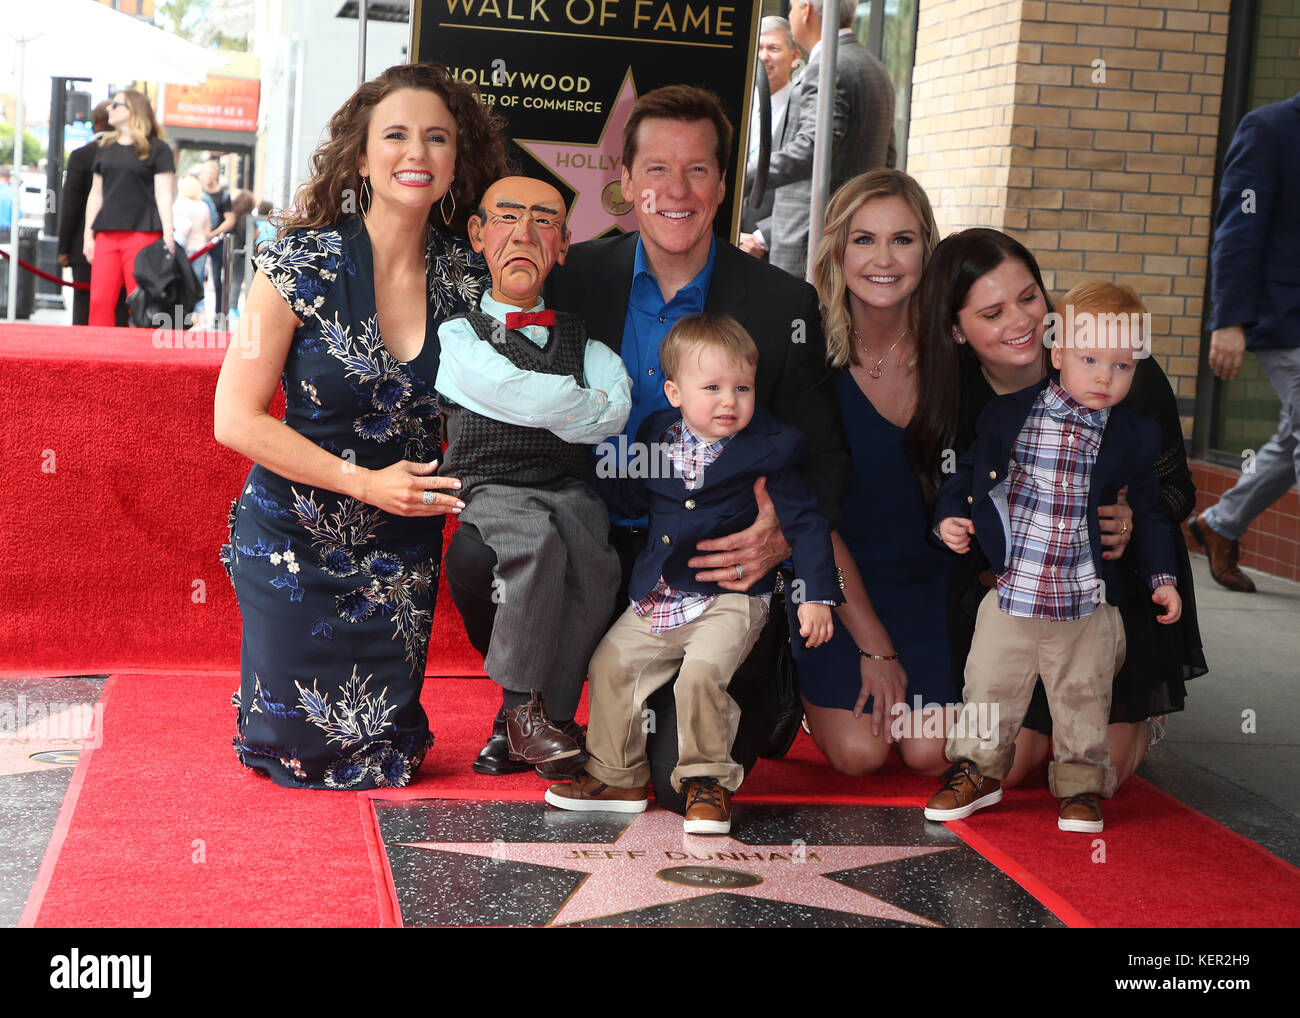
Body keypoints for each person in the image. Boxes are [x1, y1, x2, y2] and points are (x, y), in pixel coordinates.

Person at [444, 84, 850, 810]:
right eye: (656, 169)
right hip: (590, 530)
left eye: (698, 170)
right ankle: (537, 704)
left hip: (712, 560)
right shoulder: (571, 275)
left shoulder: (784, 306)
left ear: (723, 187)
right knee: (481, 553)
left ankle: (751, 691)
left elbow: (826, 458)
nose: (676, 189)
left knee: (670, 780)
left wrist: (780, 536)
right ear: (624, 184)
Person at [213, 62, 509, 789]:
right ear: (361, 154)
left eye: (437, 138)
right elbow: (234, 418)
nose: (417, 153)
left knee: (389, 755)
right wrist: (362, 482)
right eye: (397, 135)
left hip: (399, 551)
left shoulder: (474, 279)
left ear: (457, 159)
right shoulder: (293, 265)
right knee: (298, 751)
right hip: (293, 539)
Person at [905, 229, 1204, 793]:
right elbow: (953, 498)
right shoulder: (964, 403)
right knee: (978, 758)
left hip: (1103, 591)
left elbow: (1176, 489)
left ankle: (1129, 715)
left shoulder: (1116, 369)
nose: (1021, 321)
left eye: (1030, 297)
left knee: (1100, 763)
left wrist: (1136, 523)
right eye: (993, 312)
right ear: (956, 329)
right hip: (1010, 598)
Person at [546, 313, 838, 833]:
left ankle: (708, 780)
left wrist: (814, 594)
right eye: (713, 388)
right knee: (612, 662)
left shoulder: (767, 453)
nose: (730, 401)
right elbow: (633, 493)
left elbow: (807, 524)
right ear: (676, 393)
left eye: (742, 388)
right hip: (663, 592)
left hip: (732, 597)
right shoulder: (659, 435)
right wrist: (590, 463)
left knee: (702, 674)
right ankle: (617, 774)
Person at [435, 175, 630, 771]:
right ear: (477, 235)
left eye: (544, 220)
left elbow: (613, 413)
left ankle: (553, 719)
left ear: (564, 244)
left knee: (595, 565)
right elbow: (513, 393)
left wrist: (564, 408)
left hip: (568, 488)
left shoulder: (584, 339)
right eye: (507, 217)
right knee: (535, 546)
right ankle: (520, 708)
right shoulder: (457, 334)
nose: (524, 234)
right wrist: (573, 405)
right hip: (492, 487)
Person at [795, 169, 955, 779]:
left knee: (930, 752)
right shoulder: (808, 356)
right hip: (834, 585)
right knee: (861, 755)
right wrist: (872, 644)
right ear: (838, 251)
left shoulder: (953, 352)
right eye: (864, 240)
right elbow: (810, 514)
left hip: (932, 588)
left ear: (927, 249)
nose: (883, 259)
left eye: (903, 240)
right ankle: (802, 690)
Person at [1189, 90, 1300, 593]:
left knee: (1292, 436)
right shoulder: (1269, 129)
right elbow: (1238, 230)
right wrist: (1229, 319)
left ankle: (1221, 523)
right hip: (1287, 318)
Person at [761, 0, 896, 278]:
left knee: (798, 319)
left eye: (792, 8)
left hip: (807, 239)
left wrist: (747, 176)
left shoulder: (828, 67)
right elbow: (889, 155)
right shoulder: (876, 68)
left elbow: (811, 148)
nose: (791, 15)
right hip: (848, 230)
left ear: (807, 10)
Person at [82, 90, 176, 327]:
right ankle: (97, 360)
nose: (109, 109)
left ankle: (141, 361)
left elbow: (164, 195)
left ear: (133, 110)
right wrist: (88, 235)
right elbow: (96, 193)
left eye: (116, 104)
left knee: (142, 303)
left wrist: (168, 235)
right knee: (99, 301)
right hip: (106, 233)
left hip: (142, 233)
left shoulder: (157, 149)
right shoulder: (105, 146)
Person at [739, 15, 800, 262]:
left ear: (795, 56)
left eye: (773, 48)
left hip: (773, 250)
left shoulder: (804, 110)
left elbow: (806, 190)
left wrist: (763, 236)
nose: (763, 56)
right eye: (759, 48)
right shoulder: (739, 105)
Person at [58, 102, 120, 326]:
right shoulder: (130, 156)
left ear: (95, 123)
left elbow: (71, 206)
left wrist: (64, 248)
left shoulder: (81, 155)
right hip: (120, 241)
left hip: (83, 245)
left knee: (83, 307)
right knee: (119, 307)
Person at [200, 159, 236, 313]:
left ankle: (219, 313)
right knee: (195, 277)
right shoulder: (196, 192)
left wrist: (213, 234)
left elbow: (230, 219)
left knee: (217, 278)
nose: (208, 175)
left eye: (211, 172)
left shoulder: (223, 195)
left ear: (216, 175)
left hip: (217, 241)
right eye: (206, 172)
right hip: (197, 241)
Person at [172, 174, 211, 317]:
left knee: (183, 280)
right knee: (198, 280)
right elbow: (207, 231)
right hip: (201, 248)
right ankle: (200, 312)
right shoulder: (203, 206)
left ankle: (182, 312)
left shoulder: (178, 205)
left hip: (183, 248)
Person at [226, 190, 257, 315]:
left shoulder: (236, 215)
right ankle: (234, 308)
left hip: (236, 252)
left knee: (235, 281)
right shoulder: (246, 218)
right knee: (240, 281)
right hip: (244, 253)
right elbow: (250, 235)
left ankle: (232, 307)